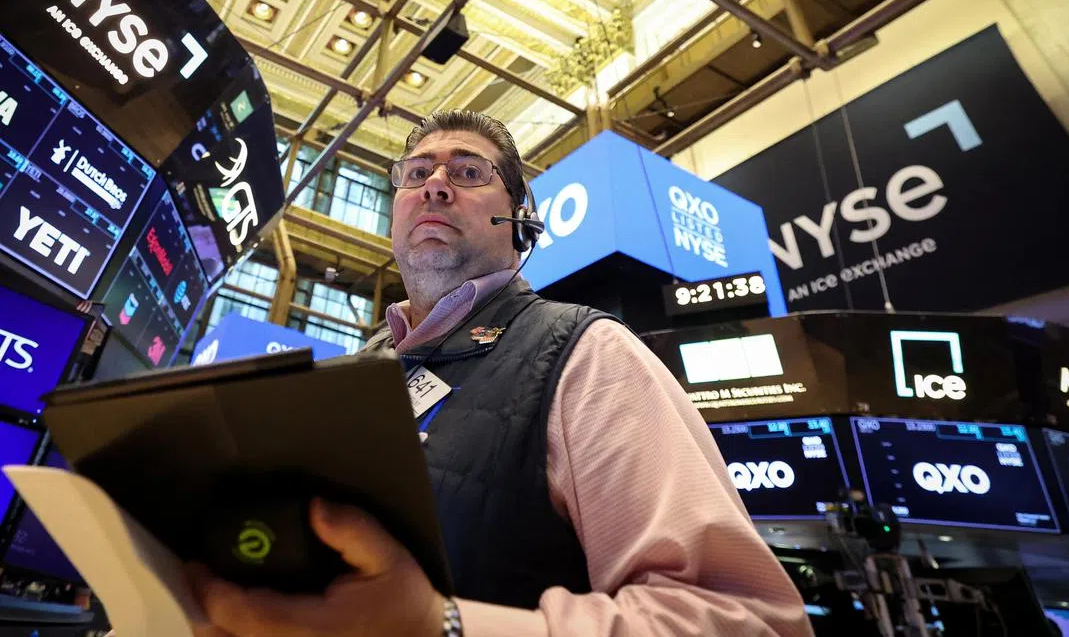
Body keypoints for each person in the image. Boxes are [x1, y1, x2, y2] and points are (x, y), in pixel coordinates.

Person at [183, 110, 812, 636]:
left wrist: (442, 624)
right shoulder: (360, 370)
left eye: (467, 171)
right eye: (416, 173)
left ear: (521, 219)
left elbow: (748, 618)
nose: (434, 184)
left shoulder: (589, 355)